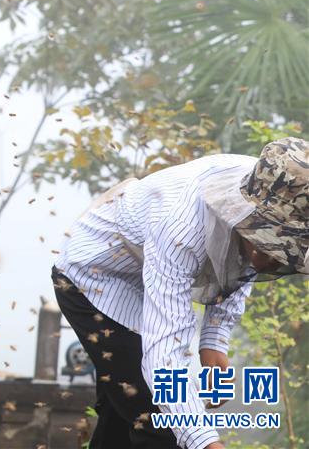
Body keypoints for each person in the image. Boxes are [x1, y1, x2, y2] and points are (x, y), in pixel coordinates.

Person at [53, 137, 309, 449]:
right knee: (159, 422)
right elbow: (165, 354)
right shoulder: (181, 227)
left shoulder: (285, 183)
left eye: (287, 248)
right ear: (246, 217)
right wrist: (205, 441)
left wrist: (214, 338)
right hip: (97, 276)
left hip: (147, 270)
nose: (277, 257)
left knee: (125, 417)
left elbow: (235, 262)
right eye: (270, 243)